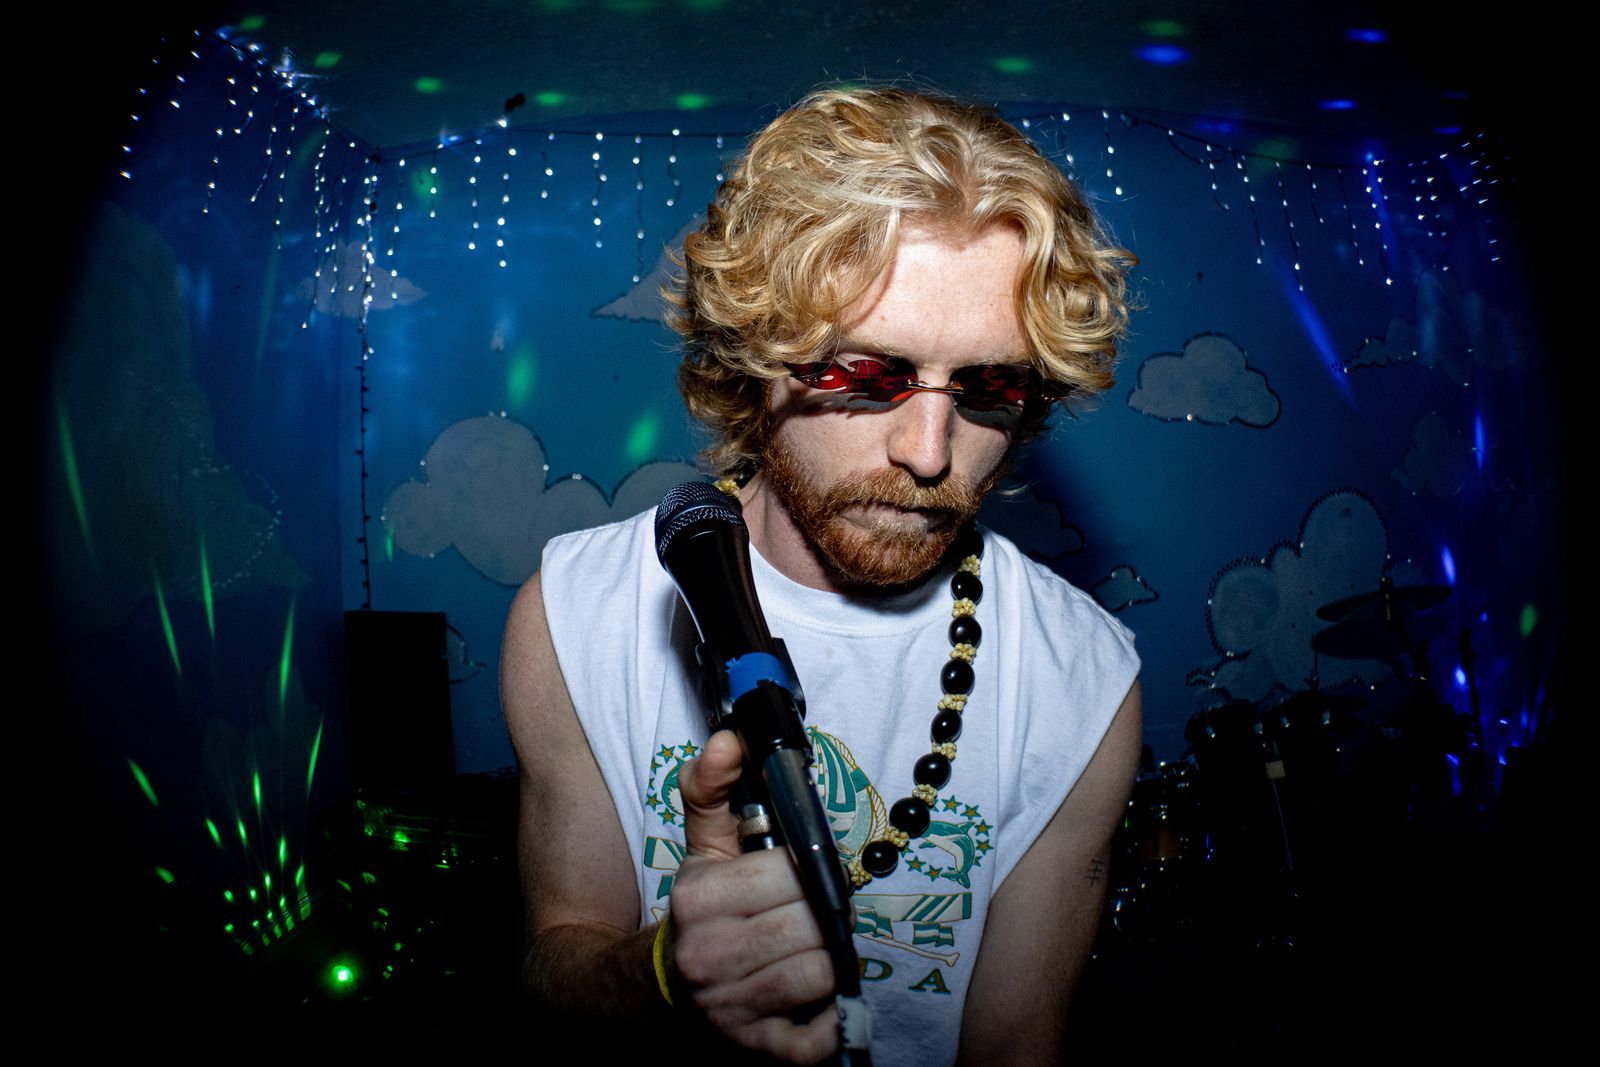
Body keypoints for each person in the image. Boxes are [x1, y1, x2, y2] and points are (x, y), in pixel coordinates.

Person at [501, 87, 1142, 1065]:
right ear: (754, 355)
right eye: (864, 375)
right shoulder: (574, 613)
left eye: (989, 386)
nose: (929, 451)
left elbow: (1016, 1045)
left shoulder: (1083, 679)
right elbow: (555, 965)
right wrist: (665, 971)